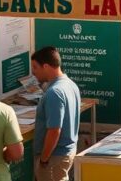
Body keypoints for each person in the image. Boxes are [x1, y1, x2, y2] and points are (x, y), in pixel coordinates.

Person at [31, 46, 81, 181]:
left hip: (54, 158)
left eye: (35, 67)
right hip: (65, 152)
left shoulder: (54, 93)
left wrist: (44, 160)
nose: (33, 73)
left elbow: (54, 131)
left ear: (46, 66)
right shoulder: (70, 84)